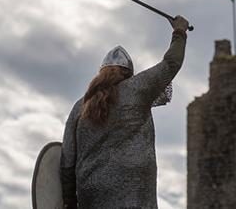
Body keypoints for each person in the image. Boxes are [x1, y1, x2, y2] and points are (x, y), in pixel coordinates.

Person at [60, 15, 190, 209]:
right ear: (129, 74)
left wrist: (69, 202)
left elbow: (67, 162)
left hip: (91, 196)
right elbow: (171, 64)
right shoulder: (137, 88)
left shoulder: (79, 107)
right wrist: (179, 32)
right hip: (135, 196)